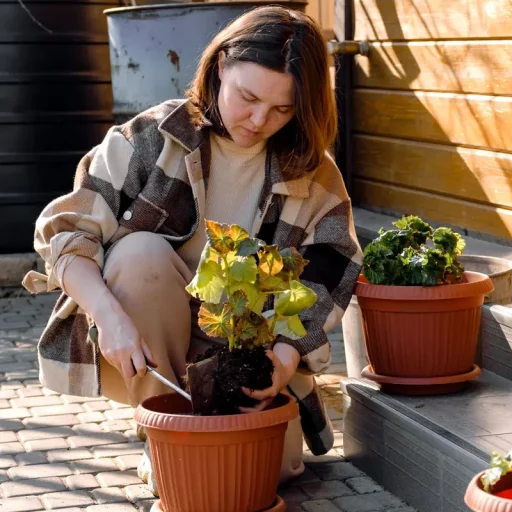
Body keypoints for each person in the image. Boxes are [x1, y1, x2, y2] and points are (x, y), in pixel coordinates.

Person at [22, 6, 362, 491]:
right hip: (153, 338)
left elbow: (333, 270)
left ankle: (201, 427)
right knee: (138, 254)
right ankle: (166, 425)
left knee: (276, 470)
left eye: (282, 109)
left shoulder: (313, 173)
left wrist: (286, 359)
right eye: (248, 97)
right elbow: (67, 229)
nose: (259, 119)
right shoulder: (152, 137)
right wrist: (108, 316)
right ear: (221, 65)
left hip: (249, 352)